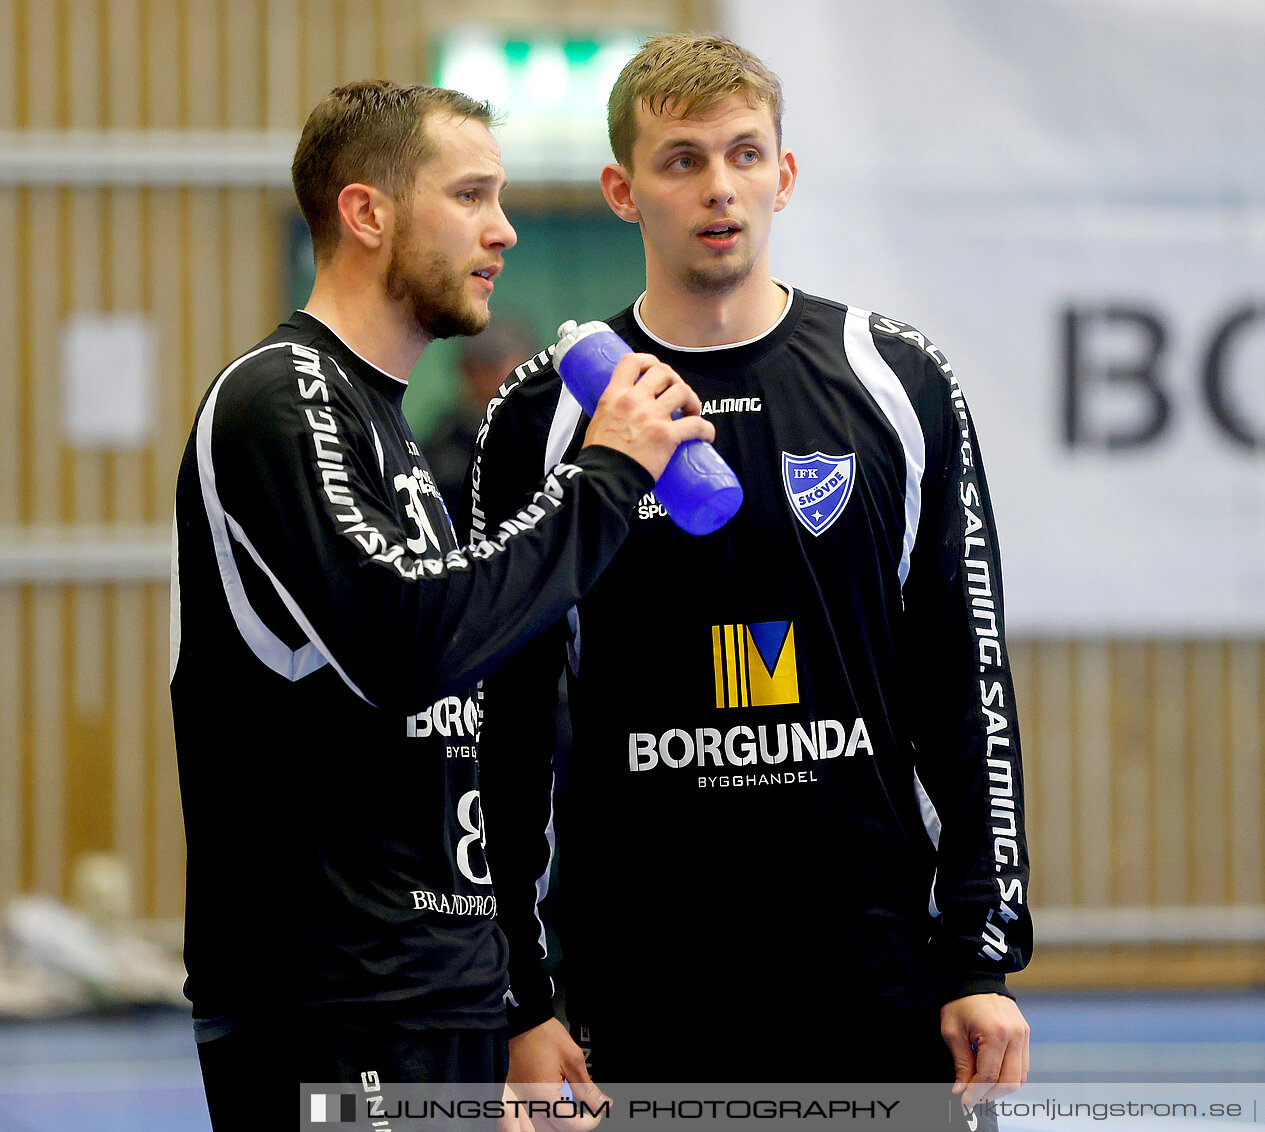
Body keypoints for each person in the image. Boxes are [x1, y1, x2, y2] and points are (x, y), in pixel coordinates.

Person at [473, 32, 1031, 1112]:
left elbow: (967, 685)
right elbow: (503, 724)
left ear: (783, 175)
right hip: (637, 990)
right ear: (622, 190)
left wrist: (978, 956)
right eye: (680, 159)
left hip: (876, 981)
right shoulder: (543, 417)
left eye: (741, 154)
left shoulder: (897, 382)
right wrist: (519, 997)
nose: (716, 187)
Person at [169, 79, 711, 1129]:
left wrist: (511, 997)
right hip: (332, 1003)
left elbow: (467, 703)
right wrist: (603, 481)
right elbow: (405, 640)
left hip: (435, 992)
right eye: (470, 196)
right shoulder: (278, 398)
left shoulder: (395, 432)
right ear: (367, 213)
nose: (502, 230)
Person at [424, 320, 536, 535]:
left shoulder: (546, 433)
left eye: (494, 365)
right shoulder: (442, 444)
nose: (484, 377)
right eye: (475, 367)